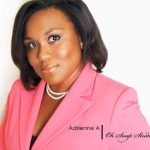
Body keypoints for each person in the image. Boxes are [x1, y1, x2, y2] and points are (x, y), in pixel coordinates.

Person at [0, 0, 150, 149]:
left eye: (54, 38)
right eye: (32, 44)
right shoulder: (19, 92)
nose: (42, 55)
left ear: (81, 36)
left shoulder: (117, 103)